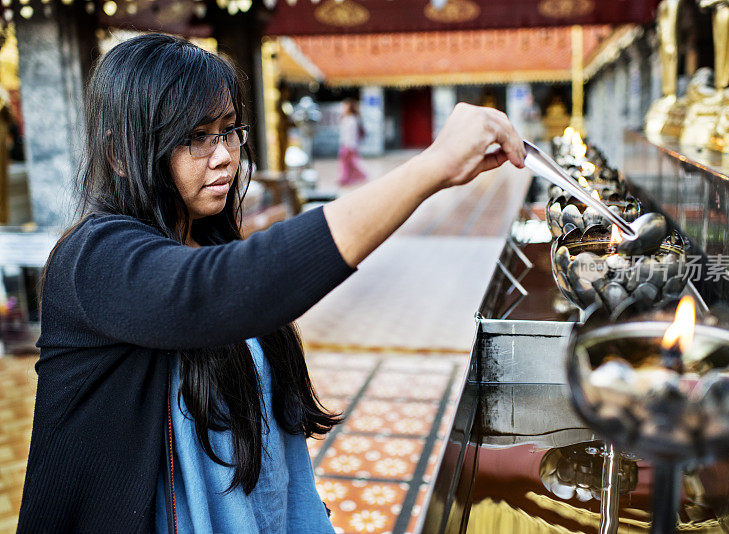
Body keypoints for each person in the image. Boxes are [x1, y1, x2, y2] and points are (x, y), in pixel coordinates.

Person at [17, 33, 524, 533]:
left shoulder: (208, 242)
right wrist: (432, 168)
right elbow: (210, 294)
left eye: (228, 129)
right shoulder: (92, 259)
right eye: (195, 137)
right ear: (120, 154)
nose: (223, 156)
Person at [337, 97, 368, 185]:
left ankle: (350, 178)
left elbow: (352, 135)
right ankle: (346, 178)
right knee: (347, 163)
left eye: (345, 106)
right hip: (345, 144)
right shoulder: (345, 118)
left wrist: (350, 146)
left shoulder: (352, 119)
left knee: (350, 163)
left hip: (349, 145)